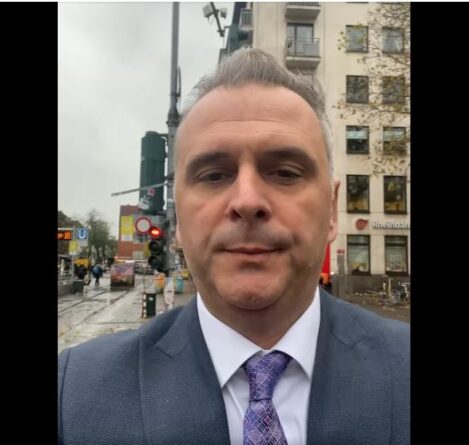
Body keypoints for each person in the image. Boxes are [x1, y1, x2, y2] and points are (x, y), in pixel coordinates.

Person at [58, 49, 409, 444]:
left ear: (331, 209)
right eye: (213, 175)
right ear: (178, 220)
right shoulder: (72, 397)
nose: (247, 200)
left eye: (285, 172)